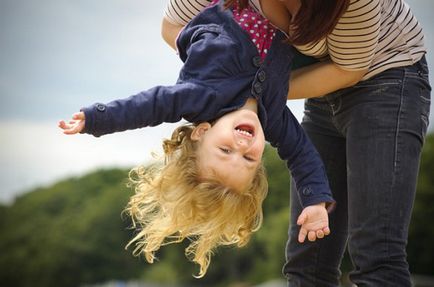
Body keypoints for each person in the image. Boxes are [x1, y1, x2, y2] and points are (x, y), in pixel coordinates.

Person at [58, 0, 336, 278]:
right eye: (249, 158)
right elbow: (302, 156)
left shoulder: (201, 96)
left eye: (225, 150)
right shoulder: (274, 119)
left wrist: (96, 119)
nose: (241, 147)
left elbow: (151, 105)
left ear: (202, 132)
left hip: (228, 10)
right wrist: (315, 202)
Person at [162, 0, 431, 285]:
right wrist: (228, 73)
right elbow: (172, 27)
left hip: (386, 77)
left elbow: (348, 69)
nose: (239, 149)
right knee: (307, 262)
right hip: (322, 87)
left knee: (376, 255)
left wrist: (255, 91)